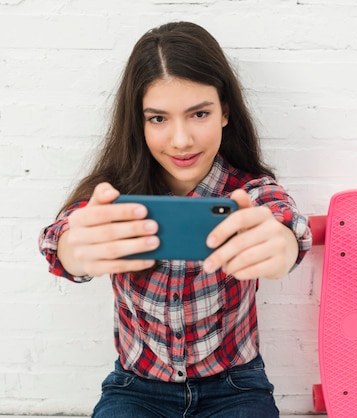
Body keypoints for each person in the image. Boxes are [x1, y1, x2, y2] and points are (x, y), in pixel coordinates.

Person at [38, 21, 311, 417]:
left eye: (199, 113)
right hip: (136, 387)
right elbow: (60, 238)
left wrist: (282, 245)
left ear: (225, 112)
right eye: (158, 118)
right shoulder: (114, 196)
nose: (181, 140)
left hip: (236, 385)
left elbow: (286, 223)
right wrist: (72, 250)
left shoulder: (249, 192)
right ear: (139, 121)